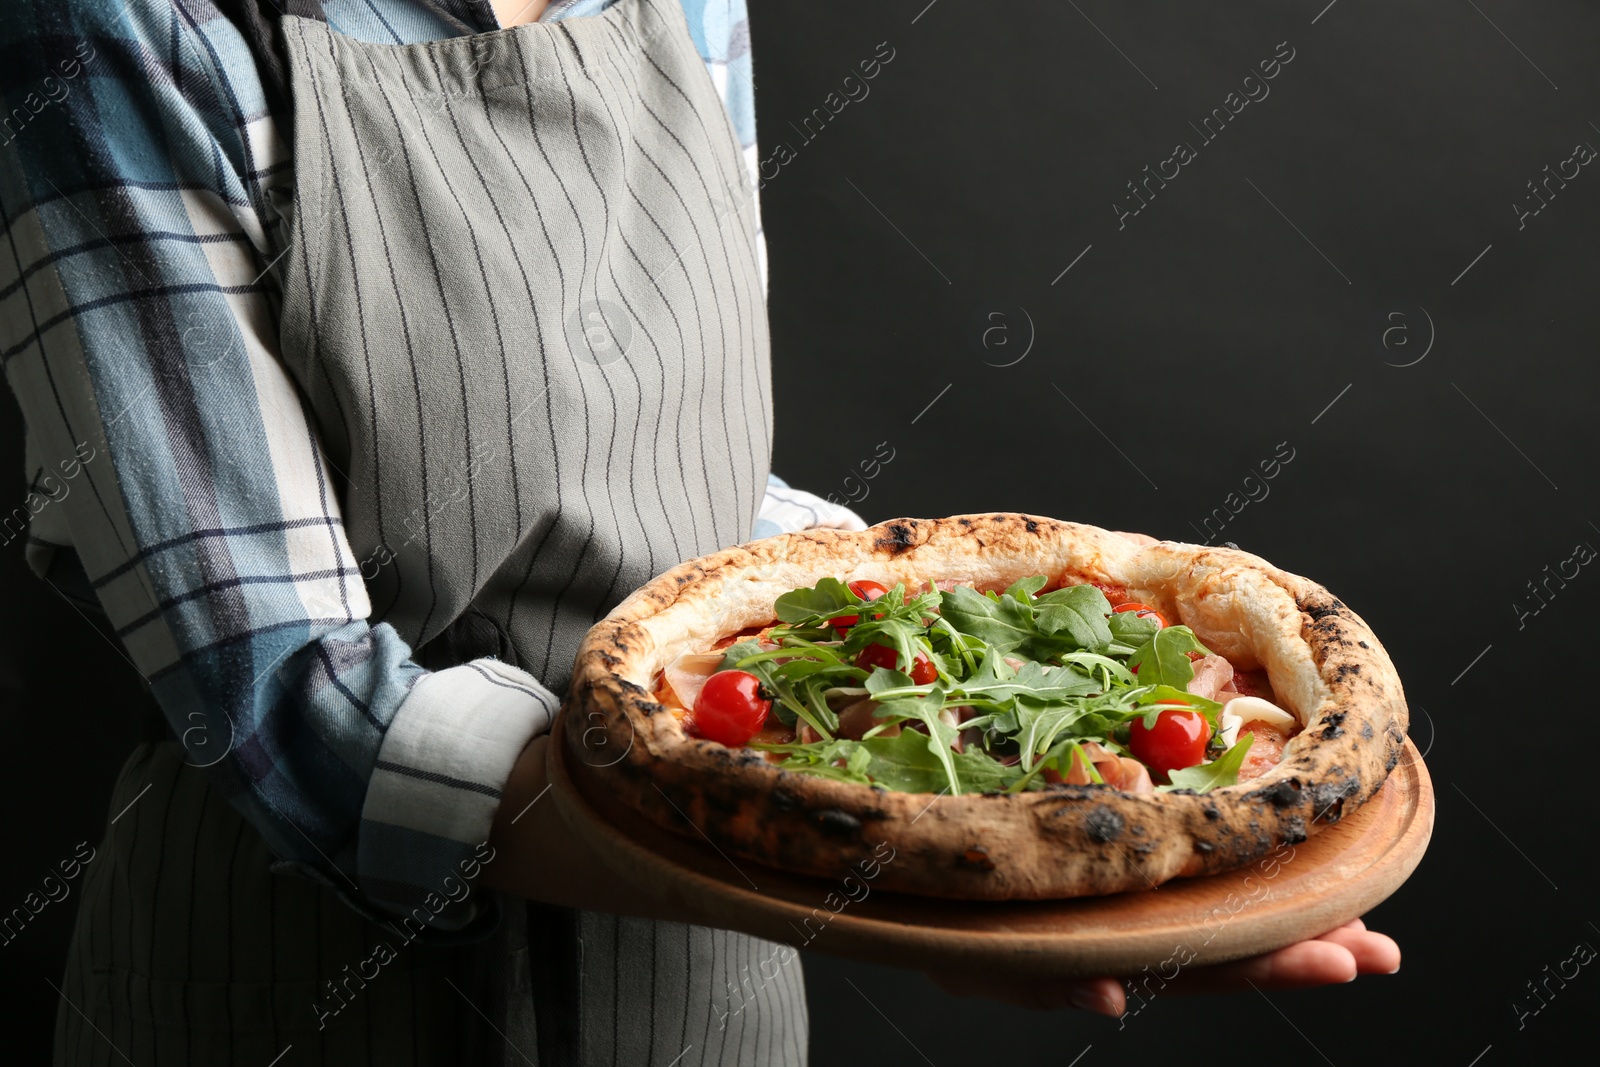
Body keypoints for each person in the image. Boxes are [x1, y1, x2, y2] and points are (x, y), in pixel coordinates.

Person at [0, 0, 1398, 1062]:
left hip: (701, 1001)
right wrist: (919, 886)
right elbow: (281, 696)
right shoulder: (120, 30)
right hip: (287, 985)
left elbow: (697, 502)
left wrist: (965, 745)